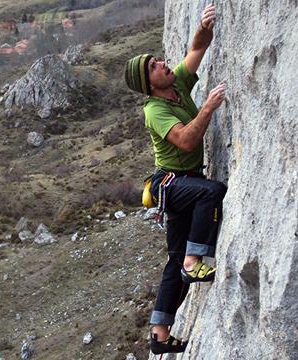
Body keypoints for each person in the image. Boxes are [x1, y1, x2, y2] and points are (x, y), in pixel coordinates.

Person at [124, 4, 228, 355]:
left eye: (159, 60)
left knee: (171, 258)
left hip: (180, 182)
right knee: (210, 193)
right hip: (170, 183)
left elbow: (197, 49)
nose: (163, 64)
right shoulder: (155, 110)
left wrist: (203, 25)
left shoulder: (177, 84)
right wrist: (208, 108)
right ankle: (193, 262)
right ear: (148, 84)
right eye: (154, 67)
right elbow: (185, 140)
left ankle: (159, 333)